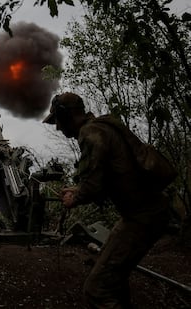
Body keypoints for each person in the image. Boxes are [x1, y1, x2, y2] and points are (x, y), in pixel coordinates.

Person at [43, 92, 169, 308]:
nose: (58, 128)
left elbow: (92, 186)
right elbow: (104, 179)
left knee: (97, 290)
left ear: (66, 116)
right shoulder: (102, 128)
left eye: (57, 121)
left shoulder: (90, 133)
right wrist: (78, 189)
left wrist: (74, 199)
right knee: (113, 280)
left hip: (143, 217)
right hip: (144, 213)